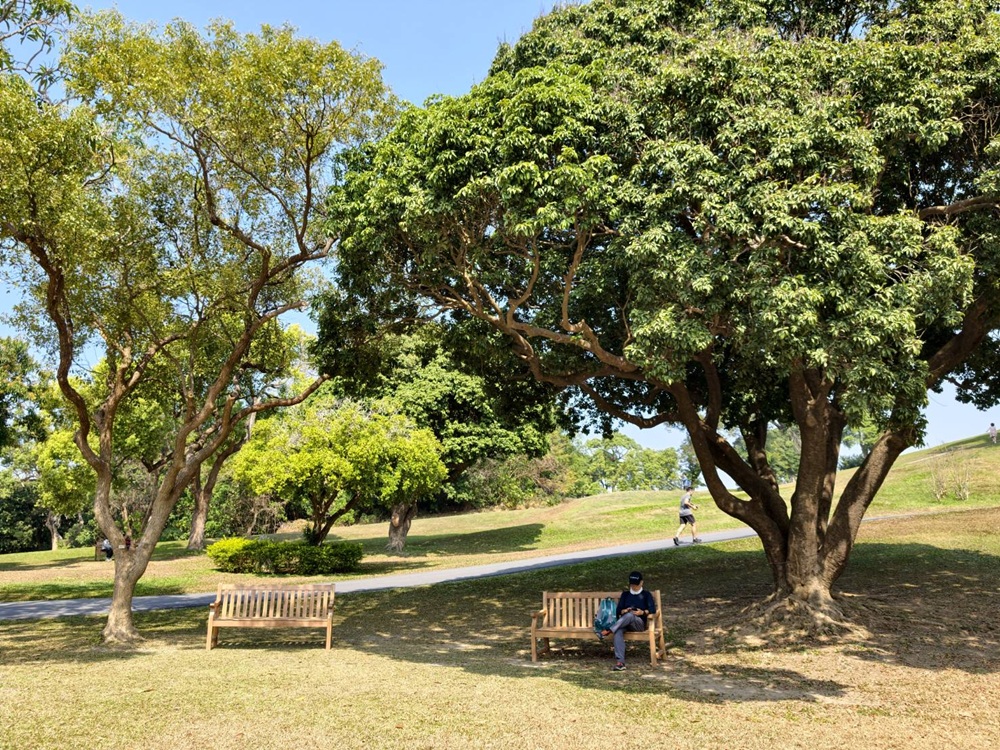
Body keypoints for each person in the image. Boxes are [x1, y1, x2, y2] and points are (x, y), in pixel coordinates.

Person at [599, 571, 657, 671]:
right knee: (618, 631)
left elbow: (652, 610)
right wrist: (624, 610)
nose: (634, 586)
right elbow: (619, 610)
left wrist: (642, 612)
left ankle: (609, 630)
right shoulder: (625, 594)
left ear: (641, 583)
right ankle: (620, 663)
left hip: (639, 624)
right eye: (632, 584)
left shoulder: (646, 594)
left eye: (636, 584)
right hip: (624, 623)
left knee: (630, 615)